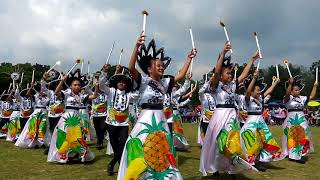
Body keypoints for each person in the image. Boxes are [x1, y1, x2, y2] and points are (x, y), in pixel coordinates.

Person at [117, 32, 196, 180]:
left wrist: (189, 59)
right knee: (141, 147)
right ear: (149, 69)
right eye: (158, 65)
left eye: (162, 66)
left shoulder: (165, 82)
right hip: (145, 119)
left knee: (163, 149)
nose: (162, 67)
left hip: (161, 121)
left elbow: (181, 76)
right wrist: (136, 47)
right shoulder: (143, 80)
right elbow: (131, 68)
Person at [199, 41, 260, 178]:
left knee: (233, 143)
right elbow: (216, 71)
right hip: (219, 116)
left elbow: (244, 74)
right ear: (220, 75)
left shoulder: (233, 85)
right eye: (227, 73)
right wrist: (223, 53)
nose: (230, 75)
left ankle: (232, 170)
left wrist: (252, 59)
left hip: (232, 116)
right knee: (218, 144)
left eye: (231, 73)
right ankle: (215, 170)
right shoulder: (216, 85)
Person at [240, 70, 284, 171]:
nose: (259, 91)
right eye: (256, 90)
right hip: (251, 123)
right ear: (251, 91)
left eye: (259, 90)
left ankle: (261, 160)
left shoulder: (260, 99)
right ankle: (252, 161)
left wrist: (275, 84)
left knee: (265, 141)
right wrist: (254, 78)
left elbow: (268, 91)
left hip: (261, 122)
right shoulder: (247, 99)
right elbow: (247, 92)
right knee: (252, 143)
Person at [47, 68, 94, 163]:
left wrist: (96, 86)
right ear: (71, 86)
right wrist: (62, 81)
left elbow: (94, 96)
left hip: (76, 119)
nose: (77, 86)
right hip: (66, 118)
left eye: (79, 85)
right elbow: (56, 92)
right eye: (75, 85)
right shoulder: (67, 94)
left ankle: (74, 154)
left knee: (77, 137)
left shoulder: (81, 96)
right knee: (64, 136)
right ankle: (62, 155)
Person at [99, 64, 137, 176]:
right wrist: (105, 73)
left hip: (124, 124)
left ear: (126, 85)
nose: (121, 83)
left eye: (123, 82)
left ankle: (111, 164)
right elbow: (101, 85)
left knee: (123, 142)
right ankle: (120, 163)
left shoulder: (130, 95)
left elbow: (138, 93)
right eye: (119, 81)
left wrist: (135, 78)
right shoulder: (111, 91)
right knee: (115, 144)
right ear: (116, 83)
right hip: (111, 122)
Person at [282, 75, 318, 163]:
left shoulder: (302, 98)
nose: (298, 91)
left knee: (303, 135)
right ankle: (292, 155)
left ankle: (299, 154)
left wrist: (315, 86)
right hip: (291, 119)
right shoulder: (288, 98)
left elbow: (311, 96)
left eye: (299, 90)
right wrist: (290, 84)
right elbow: (287, 94)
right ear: (291, 91)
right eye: (296, 90)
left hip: (301, 118)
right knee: (292, 136)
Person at [15, 74, 50, 148]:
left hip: (44, 113)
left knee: (42, 127)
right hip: (36, 113)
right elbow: (28, 94)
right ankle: (32, 141)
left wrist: (44, 81)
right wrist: (31, 87)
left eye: (43, 91)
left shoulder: (48, 96)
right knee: (33, 127)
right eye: (41, 90)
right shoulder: (36, 96)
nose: (42, 92)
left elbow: (44, 87)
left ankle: (41, 142)